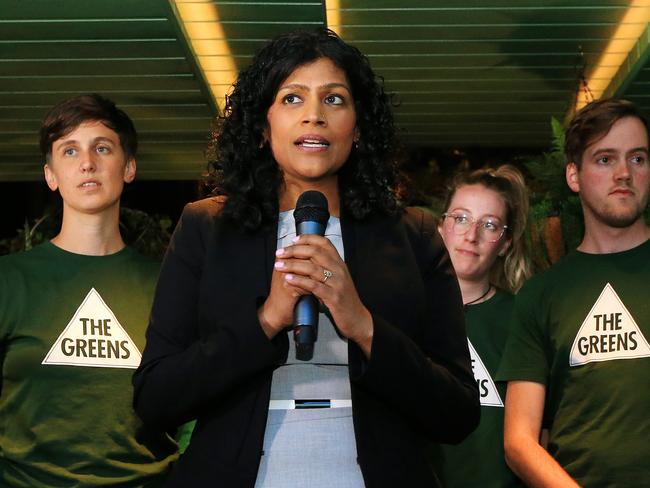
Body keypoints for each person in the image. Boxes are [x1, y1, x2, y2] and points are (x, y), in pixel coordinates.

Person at [133, 29, 479, 487]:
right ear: (262, 126)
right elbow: (156, 399)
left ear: (357, 129)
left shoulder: (413, 235)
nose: (314, 116)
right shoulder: (207, 228)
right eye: (292, 99)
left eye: (334, 100)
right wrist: (267, 320)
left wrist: (362, 324)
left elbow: (456, 414)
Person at [0, 94, 178, 487]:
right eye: (69, 150)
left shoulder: (169, 286)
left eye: (102, 148)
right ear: (50, 175)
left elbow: (194, 404)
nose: (87, 163)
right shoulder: (8, 281)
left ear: (128, 167)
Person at [497, 98, 650, 487]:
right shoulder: (541, 295)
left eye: (637, 158)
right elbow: (519, 441)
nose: (623, 174)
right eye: (604, 159)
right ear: (573, 175)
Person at [434, 165, 531, 488]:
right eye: (460, 218)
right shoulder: (405, 315)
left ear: (504, 243)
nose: (471, 235)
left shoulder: (521, 318)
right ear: (440, 227)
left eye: (489, 225)